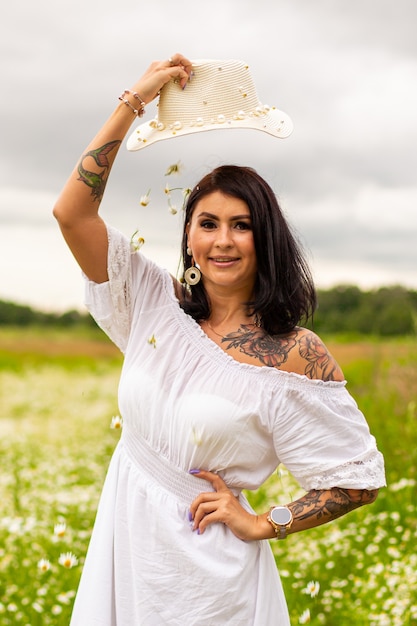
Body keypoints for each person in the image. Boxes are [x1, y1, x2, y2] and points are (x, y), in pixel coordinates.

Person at [53, 53, 386, 625]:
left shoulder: (294, 352)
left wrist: (266, 521)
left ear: (266, 238)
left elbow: (356, 479)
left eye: (241, 225)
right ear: (189, 235)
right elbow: (71, 212)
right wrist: (135, 99)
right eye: (207, 223)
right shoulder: (152, 301)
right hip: (128, 551)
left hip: (212, 581)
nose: (223, 241)